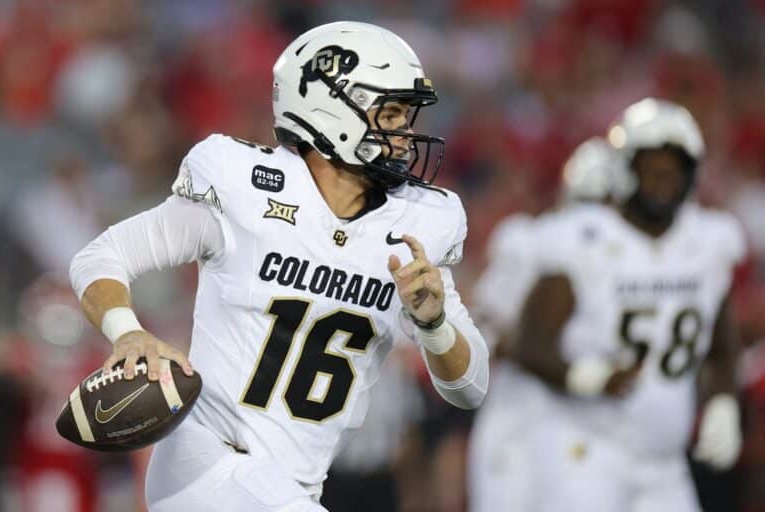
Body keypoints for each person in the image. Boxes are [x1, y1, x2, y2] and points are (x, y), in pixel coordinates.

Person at [69, 21, 489, 512]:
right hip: (207, 465)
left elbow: (471, 388)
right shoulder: (245, 185)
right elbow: (101, 256)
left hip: (293, 487)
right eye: (392, 113)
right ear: (332, 109)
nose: (406, 134)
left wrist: (434, 326)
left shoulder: (418, 224)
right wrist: (127, 333)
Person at [513, 98, 745, 511]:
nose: (664, 181)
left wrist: (723, 402)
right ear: (625, 168)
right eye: (653, 169)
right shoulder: (584, 239)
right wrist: (584, 376)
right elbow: (528, 343)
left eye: (675, 171)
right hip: (585, 452)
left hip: (665, 463)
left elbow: (723, 347)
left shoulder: (708, 242)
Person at [467, 136, 618, 512]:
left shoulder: (633, 256)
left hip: (590, 426)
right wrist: (561, 366)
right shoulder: (530, 241)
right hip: (524, 416)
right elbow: (483, 332)